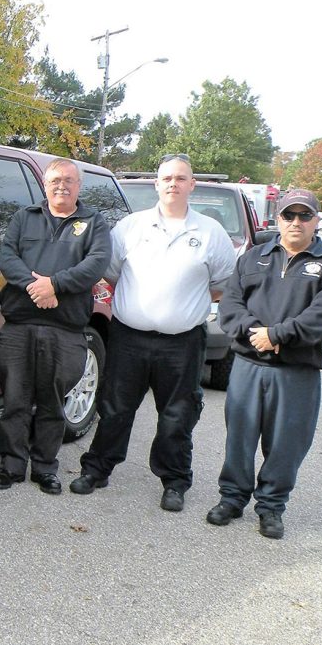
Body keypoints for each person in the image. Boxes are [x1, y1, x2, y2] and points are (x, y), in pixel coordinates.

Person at [70, 153, 237, 510]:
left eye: (180, 178)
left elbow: (223, 284)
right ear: (156, 184)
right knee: (115, 408)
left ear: (192, 184)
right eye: (167, 178)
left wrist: (180, 303)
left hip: (183, 343)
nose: (173, 184)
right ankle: (97, 469)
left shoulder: (210, 232)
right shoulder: (131, 227)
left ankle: (174, 481)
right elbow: (111, 274)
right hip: (129, 338)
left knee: (177, 415)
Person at [208, 189, 322, 538]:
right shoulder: (253, 257)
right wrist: (257, 333)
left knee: (286, 443)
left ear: (316, 221)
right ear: (278, 218)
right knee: (239, 437)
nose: (296, 222)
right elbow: (230, 306)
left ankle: (271, 506)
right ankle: (232, 498)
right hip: (248, 366)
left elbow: (320, 319)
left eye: (304, 216)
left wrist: (278, 335)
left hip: (296, 372)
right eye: (289, 215)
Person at [0, 158, 111, 495]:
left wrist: (54, 285)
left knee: (52, 402)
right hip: (19, 326)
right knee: (14, 399)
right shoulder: (23, 218)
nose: (62, 186)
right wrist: (36, 287)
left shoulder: (94, 223)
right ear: (45, 184)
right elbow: (8, 257)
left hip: (66, 329)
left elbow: (96, 264)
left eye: (69, 180)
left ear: (79, 186)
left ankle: (45, 468)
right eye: (56, 180)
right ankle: (11, 465)